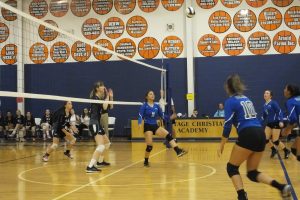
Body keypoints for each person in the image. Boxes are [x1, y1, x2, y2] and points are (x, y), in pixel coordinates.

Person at [217, 74, 291, 200]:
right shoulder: (246, 98)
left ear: (228, 88)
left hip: (248, 133)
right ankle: (281, 187)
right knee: (252, 173)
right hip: (260, 133)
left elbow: (227, 125)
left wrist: (221, 145)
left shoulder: (230, 101)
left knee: (231, 168)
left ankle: (242, 196)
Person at [138, 90, 187, 167]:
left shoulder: (156, 106)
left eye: (153, 94)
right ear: (147, 97)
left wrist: (171, 117)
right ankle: (146, 161)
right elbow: (140, 115)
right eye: (150, 94)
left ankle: (178, 151)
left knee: (169, 135)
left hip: (155, 125)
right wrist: (139, 123)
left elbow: (163, 116)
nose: (152, 95)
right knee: (150, 146)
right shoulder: (144, 105)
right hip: (147, 126)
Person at [86, 81, 111, 173]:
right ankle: (90, 166)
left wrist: (108, 96)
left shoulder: (99, 98)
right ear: (97, 88)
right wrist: (107, 96)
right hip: (94, 123)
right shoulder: (94, 98)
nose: (104, 87)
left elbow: (105, 107)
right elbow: (104, 106)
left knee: (107, 143)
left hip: (97, 124)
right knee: (101, 146)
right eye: (102, 86)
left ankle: (100, 161)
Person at [261, 90, 290, 159]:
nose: (265, 94)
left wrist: (281, 121)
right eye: (264, 93)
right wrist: (258, 124)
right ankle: (274, 150)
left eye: (267, 93)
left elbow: (279, 112)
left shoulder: (273, 103)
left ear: (270, 96)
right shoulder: (264, 105)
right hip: (269, 124)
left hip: (276, 123)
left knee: (275, 140)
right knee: (265, 140)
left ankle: (286, 150)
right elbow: (263, 116)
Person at [282, 84, 300, 162]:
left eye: (285, 88)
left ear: (289, 92)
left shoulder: (291, 102)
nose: (284, 90)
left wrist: (287, 129)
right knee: (294, 149)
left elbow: (293, 118)